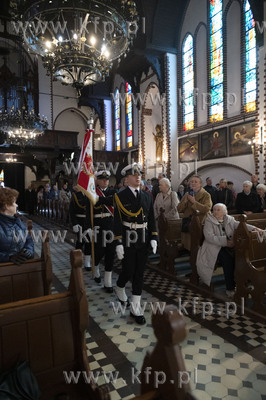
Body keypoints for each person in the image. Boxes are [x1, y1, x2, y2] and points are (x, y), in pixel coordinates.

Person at [114, 163, 158, 325]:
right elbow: (117, 220)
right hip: (128, 237)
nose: (138, 176)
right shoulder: (120, 196)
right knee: (128, 269)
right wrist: (118, 242)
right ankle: (119, 286)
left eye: (139, 174)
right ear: (127, 179)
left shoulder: (147, 196)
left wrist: (154, 237)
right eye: (134, 174)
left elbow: (152, 218)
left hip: (143, 237)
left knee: (139, 272)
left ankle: (135, 307)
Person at [196, 203, 261, 298]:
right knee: (228, 261)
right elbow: (209, 237)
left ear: (224, 211)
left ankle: (242, 284)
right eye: (214, 209)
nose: (215, 211)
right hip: (214, 247)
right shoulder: (209, 221)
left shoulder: (230, 219)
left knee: (242, 257)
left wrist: (254, 228)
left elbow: (241, 225)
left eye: (218, 210)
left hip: (229, 245)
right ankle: (230, 288)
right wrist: (225, 242)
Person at [88, 170, 117, 292]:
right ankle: (96, 268)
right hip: (98, 227)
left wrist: (98, 199)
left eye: (107, 179)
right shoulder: (92, 193)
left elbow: (113, 201)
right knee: (99, 252)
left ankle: (108, 282)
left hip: (111, 226)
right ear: (98, 181)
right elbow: (88, 212)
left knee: (110, 253)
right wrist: (89, 228)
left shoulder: (113, 192)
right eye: (102, 179)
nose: (105, 181)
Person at [177, 175, 212, 250]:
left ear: (200, 184)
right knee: (187, 245)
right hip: (187, 221)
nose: (193, 183)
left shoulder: (206, 195)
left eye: (195, 182)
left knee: (197, 245)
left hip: (200, 222)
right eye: (192, 182)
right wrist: (185, 202)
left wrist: (194, 202)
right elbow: (179, 209)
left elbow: (207, 208)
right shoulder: (187, 194)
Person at [0, 187, 34, 263]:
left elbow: (29, 240)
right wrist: (8, 257)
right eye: (14, 202)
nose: (16, 205)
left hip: (22, 267)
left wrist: (29, 251)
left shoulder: (17, 220)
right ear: (6, 206)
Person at [69, 186, 91, 271]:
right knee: (80, 241)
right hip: (80, 221)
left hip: (88, 222)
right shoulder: (75, 196)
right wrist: (74, 223)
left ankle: (87, 262)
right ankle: (77, 258)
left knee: (89, 241)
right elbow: (72, 211)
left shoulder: (90, 195)